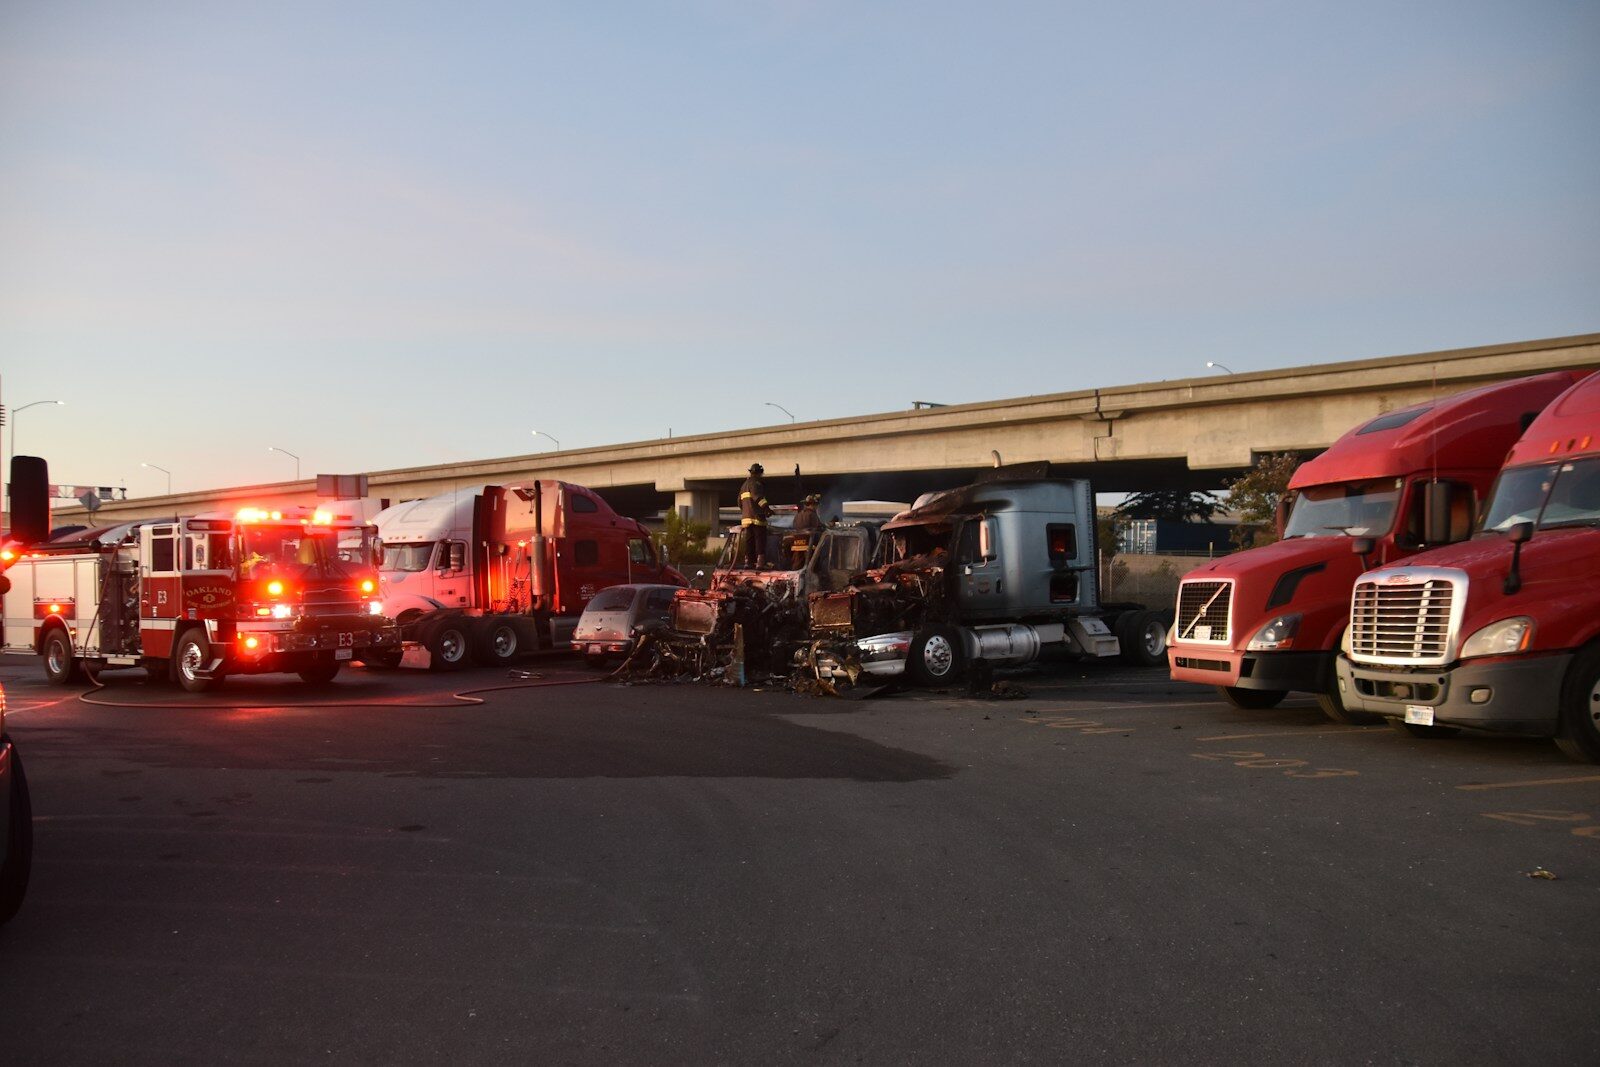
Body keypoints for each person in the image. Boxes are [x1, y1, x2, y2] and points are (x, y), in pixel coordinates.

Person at [739, 463, 772, 567]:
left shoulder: (744, 485)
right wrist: (767, 509)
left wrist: (746, 511)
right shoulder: (756, 483)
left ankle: (748, 562)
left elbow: (739, 502)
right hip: (757, 518)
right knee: (760, 540)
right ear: (759, 473)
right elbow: (757, 497)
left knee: (749, 541)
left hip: (746, 519)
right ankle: (760, 562)